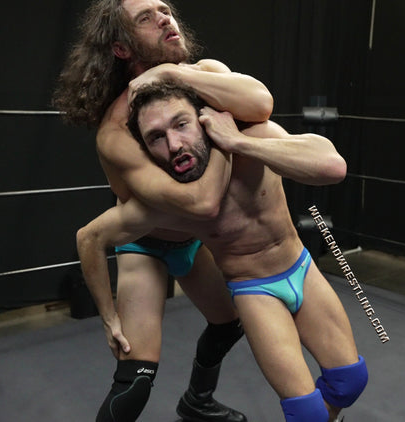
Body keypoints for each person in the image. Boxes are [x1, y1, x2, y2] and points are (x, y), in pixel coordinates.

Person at [78, 81, 368, 422]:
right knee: (308, 414)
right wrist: (109, 316)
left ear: (204, 119)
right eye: (156, 137)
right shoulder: (173, 204)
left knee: (349, 381)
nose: (174, 144)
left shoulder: (255, 137)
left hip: (301, 267)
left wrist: (238, 142)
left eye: (181, 124)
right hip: (255, 291)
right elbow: (90, 238)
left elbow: (332, 165)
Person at [53, 0, 274, 421]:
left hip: (193, 239)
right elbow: (202, 202)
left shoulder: (201, 76)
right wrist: (108, 317)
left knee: (230, 323)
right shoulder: (117, 130)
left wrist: (174, 74)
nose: (164, 18)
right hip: (145, 245)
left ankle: (197, 401)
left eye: (164, 9)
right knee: (135, 381)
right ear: (121, 48)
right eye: (145, 17)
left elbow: (262, 105)